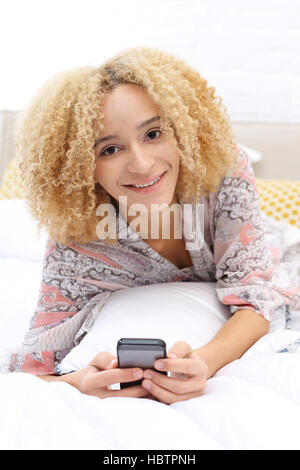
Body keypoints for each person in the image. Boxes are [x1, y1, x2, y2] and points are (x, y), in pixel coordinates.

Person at [5, 46, 300, 405]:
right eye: (109, 150)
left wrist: (205, 362)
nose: (142, 165)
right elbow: (34, 370)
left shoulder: (225, 173)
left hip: (278, 249)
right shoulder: (78, 243)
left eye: (154, 134)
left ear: (181, 130)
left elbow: (254, 298)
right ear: (83, 169)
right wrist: (79, 381)